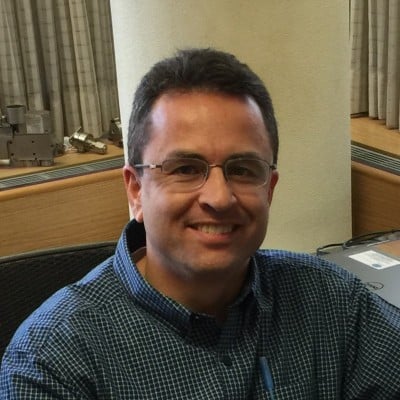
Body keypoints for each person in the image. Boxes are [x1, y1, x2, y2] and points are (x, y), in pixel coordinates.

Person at [1, 48, 400, 399]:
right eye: (185, 168)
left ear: (269, 189)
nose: (219, 198)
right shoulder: (52, 361)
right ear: (136, 190)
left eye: (242, 169)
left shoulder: (334, 303)